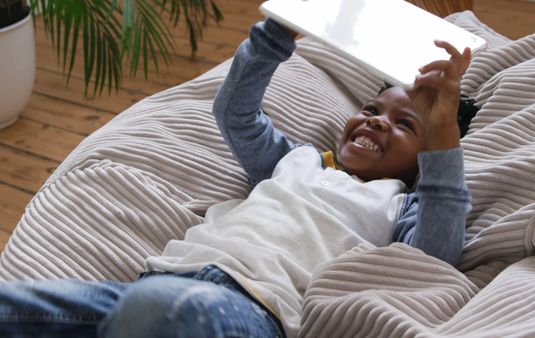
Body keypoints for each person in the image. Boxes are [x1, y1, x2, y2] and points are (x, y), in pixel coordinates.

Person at [0, 19, 472, 338]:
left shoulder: (399, 205)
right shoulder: (297, 160)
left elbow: (435, 251)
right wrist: (276, 32)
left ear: (425, 162)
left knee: (169, 311)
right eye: (371, 109)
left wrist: (444, 132)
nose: (376, 121)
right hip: (152, 285)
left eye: (407, 124)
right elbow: (236, 114)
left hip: (250, 313)